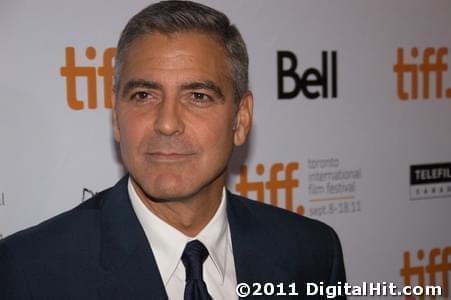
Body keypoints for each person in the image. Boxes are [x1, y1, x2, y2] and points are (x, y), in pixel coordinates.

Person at [0, 1, 346, 299]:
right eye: (143, 96)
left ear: (240, 120)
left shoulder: (312, 252)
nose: (166, 123)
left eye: (198, 96)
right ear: (117, 118)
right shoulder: (30, 271)